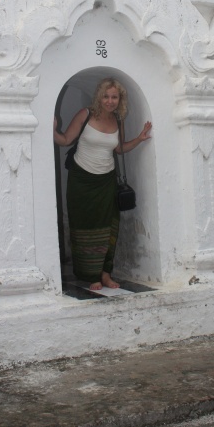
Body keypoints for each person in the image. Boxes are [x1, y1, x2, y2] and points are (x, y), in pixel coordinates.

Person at [53, 78, 152, 291]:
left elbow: (119, 149)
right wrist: (53, 130)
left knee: (109, 227)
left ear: (119, 99)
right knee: (85, 227)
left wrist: (139, 138)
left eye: (114, 97)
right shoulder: (85, 114)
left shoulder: (118, 118)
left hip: (106, 181)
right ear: (99, 96)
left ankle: (105, 274)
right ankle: (92, 276)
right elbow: (65, 140)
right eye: (106, 96)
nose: (110, 101)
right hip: (81, 181)